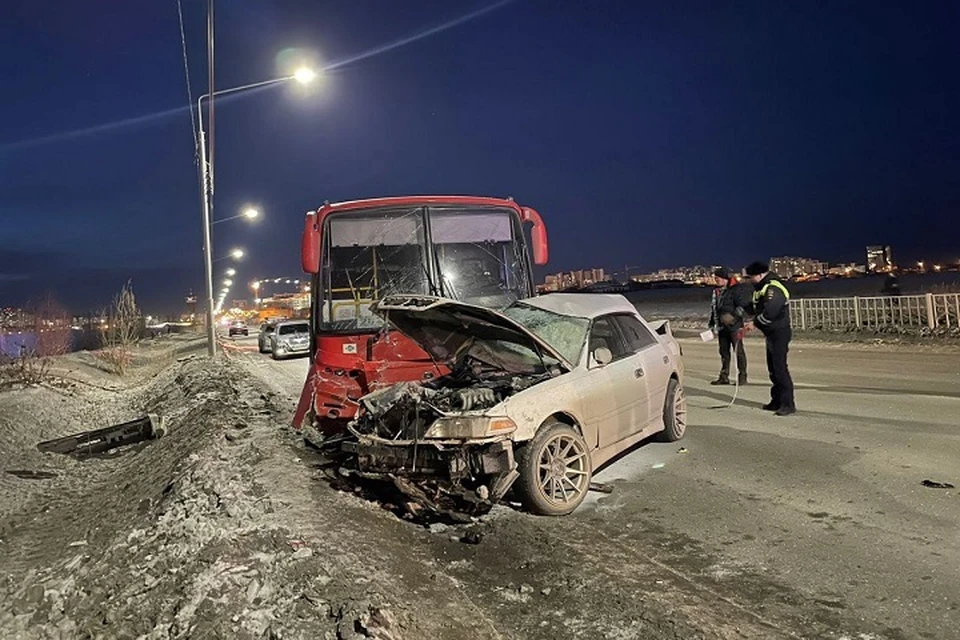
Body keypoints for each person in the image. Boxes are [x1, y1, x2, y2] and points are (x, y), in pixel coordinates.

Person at [744, 261, 796, 416]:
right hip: (771, 333)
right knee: (773, 369)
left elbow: (771, 311)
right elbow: (754, 306)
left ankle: (788, 404)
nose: (750, 280)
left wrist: (754, 323)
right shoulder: (761, 288)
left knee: (780, 368)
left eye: (751, 277)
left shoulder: (773, 288)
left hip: (779, 332)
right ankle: (776, 400)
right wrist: (739, 311)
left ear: (760, 275)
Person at [707, 268, 749, 386]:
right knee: (724, 352)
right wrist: (711, 324)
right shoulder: (716, 292)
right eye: (715, 278)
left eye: (718, 278)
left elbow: (742, 306)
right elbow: (714, 309)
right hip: (721, 327)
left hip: (734, 326)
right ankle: (724, 376)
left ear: (725, 279)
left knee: (739, 351)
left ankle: (742, 377)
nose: (716, 280)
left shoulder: (735, 290)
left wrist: (733, 317)